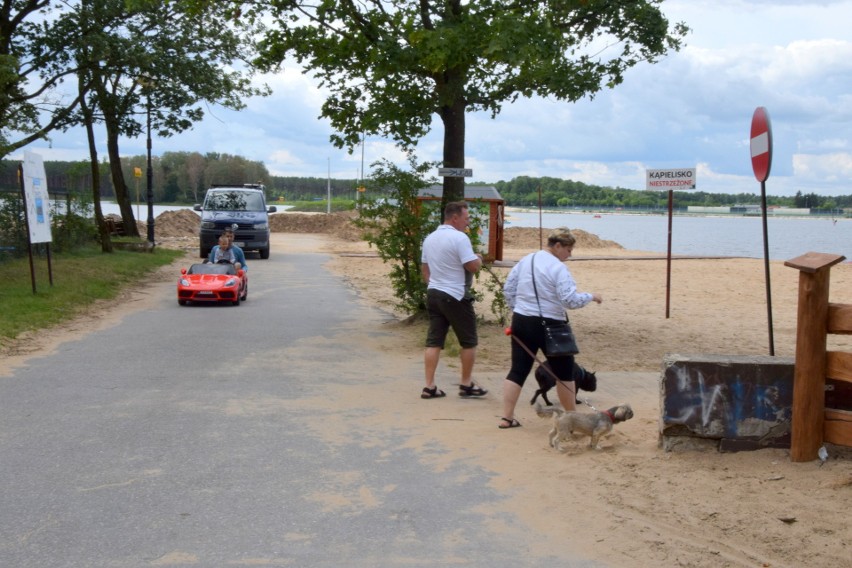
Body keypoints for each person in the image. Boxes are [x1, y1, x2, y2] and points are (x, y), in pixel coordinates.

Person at [498, 227, 602, 428]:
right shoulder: (558, 268)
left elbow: (508, 288)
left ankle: (506, 417)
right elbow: (569, 300)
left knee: (518, 370)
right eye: (569, 250)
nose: (569, 255)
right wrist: (591, 296)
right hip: (552, 325)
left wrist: (518, 309)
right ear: (557, 246)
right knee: (564, 373)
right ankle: (572, 420)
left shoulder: (526, 259)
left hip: (521, 320)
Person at [420, 201, 487, 400]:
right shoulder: (460, 238)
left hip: (434, 293)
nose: (467, 223)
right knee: (469, 341)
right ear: (455, 217)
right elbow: (472, 267)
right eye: (466, 219)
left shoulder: (430, 238)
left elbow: (425, 268)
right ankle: (466, 383)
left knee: (434, 341)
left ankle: (429, 386)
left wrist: (433, 284)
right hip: (455, 294)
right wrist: (479, 258)